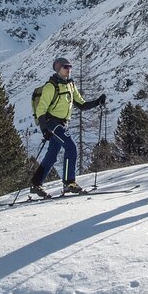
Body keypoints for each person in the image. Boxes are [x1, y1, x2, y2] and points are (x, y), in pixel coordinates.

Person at [30, 57, 106, 196]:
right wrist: (44, 129)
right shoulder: (50, 86)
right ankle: (68, 182)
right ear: (58, 68)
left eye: (70, 67)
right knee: (71, 147)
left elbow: (81, 104)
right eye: (66, 67)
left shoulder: (70, 85)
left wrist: (97, 102)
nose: (69, 69)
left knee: (52, 155)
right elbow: (41, 109)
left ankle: (36, 184)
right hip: (52, 123)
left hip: (63, 123)